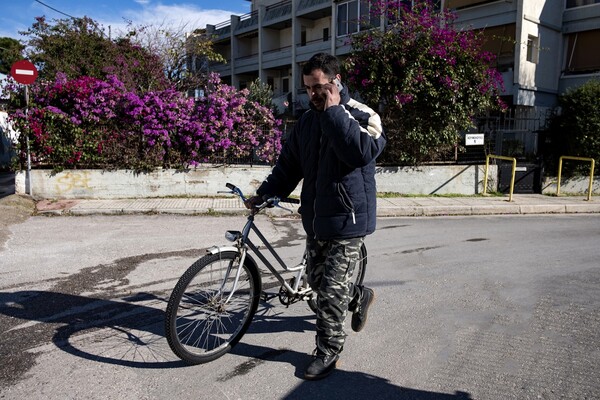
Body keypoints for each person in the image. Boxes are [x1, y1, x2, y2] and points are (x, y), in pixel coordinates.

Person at [245, 52, 386, 380]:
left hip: (349, 219)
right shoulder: (307, 122)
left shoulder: (363, 115)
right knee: (318, 284)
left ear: (335, 82)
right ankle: (359, 295)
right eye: (307, 89)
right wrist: (265, 192)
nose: (312, 95)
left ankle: (328, 350)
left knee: (331, 291)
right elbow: (289, 167)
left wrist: (334, 110)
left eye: (319, 87)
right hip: (316, 216)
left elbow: (361, 152)